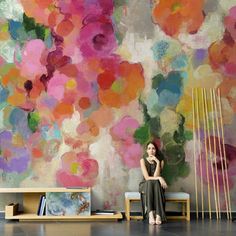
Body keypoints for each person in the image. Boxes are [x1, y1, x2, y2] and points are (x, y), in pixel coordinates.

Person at [139, 141, 168, 225]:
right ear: (146, 151)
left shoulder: (161, 161)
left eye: (153, 148)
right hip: (145, 184)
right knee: (150, 182)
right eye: (149, 148)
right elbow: (147, 178)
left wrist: (157, 162)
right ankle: (151, 215)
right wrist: (160, 178)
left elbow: (155, 175)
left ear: (156, 150)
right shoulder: (142, 160)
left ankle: (158, 215)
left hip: (156, 186)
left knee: (155, 182)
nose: (151, 150)